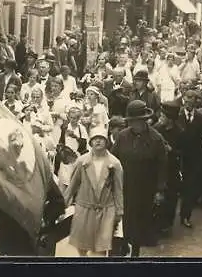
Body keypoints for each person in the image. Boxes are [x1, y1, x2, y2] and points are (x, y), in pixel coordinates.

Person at [111, 100, 168, 256]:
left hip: (145, 188)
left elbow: (162, 166)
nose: (133, 124)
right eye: (131, 122)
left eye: (136, 121)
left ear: (144, 120)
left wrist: (160, 190)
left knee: (140, 221)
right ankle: (123, 247)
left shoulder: (156, 138)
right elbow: (112, 159)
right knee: (125, 219)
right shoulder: (122, 136)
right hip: (124, 185)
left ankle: (135, 251)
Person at [64, 127, 123, 256]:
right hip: (84, 207)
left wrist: (119, 210)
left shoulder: (114, 163)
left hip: (106, 209)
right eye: (94, 139)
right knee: (82, 245)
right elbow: (73, 184)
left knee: (101, 247)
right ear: (90, 142)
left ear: (106, 142)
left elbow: (118, 189)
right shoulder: (82, 161)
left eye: (101, 139)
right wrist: (64, 204)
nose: (98, 141)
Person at [177, 90, 202, 228]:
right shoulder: (177, 115)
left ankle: (185, 216)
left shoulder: (201, 117)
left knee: (190, 188)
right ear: (183, 98)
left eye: (193, 98)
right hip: (178, 157)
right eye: (188, 97)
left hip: (194, 158)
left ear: (196, 101)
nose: (190, 100)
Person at [153, 101, 183, 237]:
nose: (160, 119)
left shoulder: (180, 132)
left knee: (170, 198)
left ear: (170, 119)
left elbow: (184, 153)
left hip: (172, 170)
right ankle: (156, 224)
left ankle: (167, 225)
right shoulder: (156, 129)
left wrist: (171, 150)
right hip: (158, 169)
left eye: (163, 117)